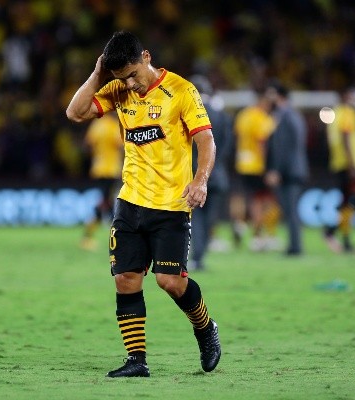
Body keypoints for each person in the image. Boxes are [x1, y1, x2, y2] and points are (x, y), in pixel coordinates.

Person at [66, 31, 221, 378]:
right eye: (123, 78)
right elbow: (75, 113)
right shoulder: (118, 88)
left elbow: (206, 140)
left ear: (147, 56)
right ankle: (137, 360)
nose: (131, 84)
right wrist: (98, 76)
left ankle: (206, 329)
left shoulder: (181, 91)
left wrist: (200, 180)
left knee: (171, 282)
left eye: (134, 74)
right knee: (125, 279)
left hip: (171, 205)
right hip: (130, 202)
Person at [188, 74, 233, 269]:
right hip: (217, 174)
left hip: (195, 173)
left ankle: (197, 257)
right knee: (210, 217)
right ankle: (201, 256)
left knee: (196, 216)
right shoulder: (222, 115)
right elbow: (228, 145)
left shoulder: (189, 112)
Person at [233, 88, 281, 251]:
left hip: (242, 163)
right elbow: (263, 142)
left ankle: (240, 224)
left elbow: (238, 137)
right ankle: (258, 237)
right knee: (262, 201)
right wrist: (268, 167)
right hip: (257, 166)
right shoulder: (262, 118)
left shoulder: (243, 115)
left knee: (246, 198)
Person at [264, 81, 309, 256]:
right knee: (291, 209)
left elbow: (282, 146)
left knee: (290, 210)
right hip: (295, 168)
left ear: (279, 95)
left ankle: (295, 247)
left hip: (288, 171)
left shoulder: (283, 115)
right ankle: (294, 244)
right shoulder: (294, 115)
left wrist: (276, 170)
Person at [323, 87, 355, 253]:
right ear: (345, 96)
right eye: (352, 95)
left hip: (339, 164)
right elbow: (346, 137)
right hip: (351, 165)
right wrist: (352, 166)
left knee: (346, 203)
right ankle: (337, 234)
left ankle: (335, 233)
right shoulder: (348, 113)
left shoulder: (334, 114)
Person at [80, 112, 124, 251]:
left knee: (108, 203)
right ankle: (87, 237)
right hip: (111, 170)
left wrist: (98, 155)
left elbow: (87, 145)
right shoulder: (113, 126)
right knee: (107, 203)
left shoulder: (96, 124)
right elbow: (122, 147)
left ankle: (111, 237)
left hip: (98, 168)